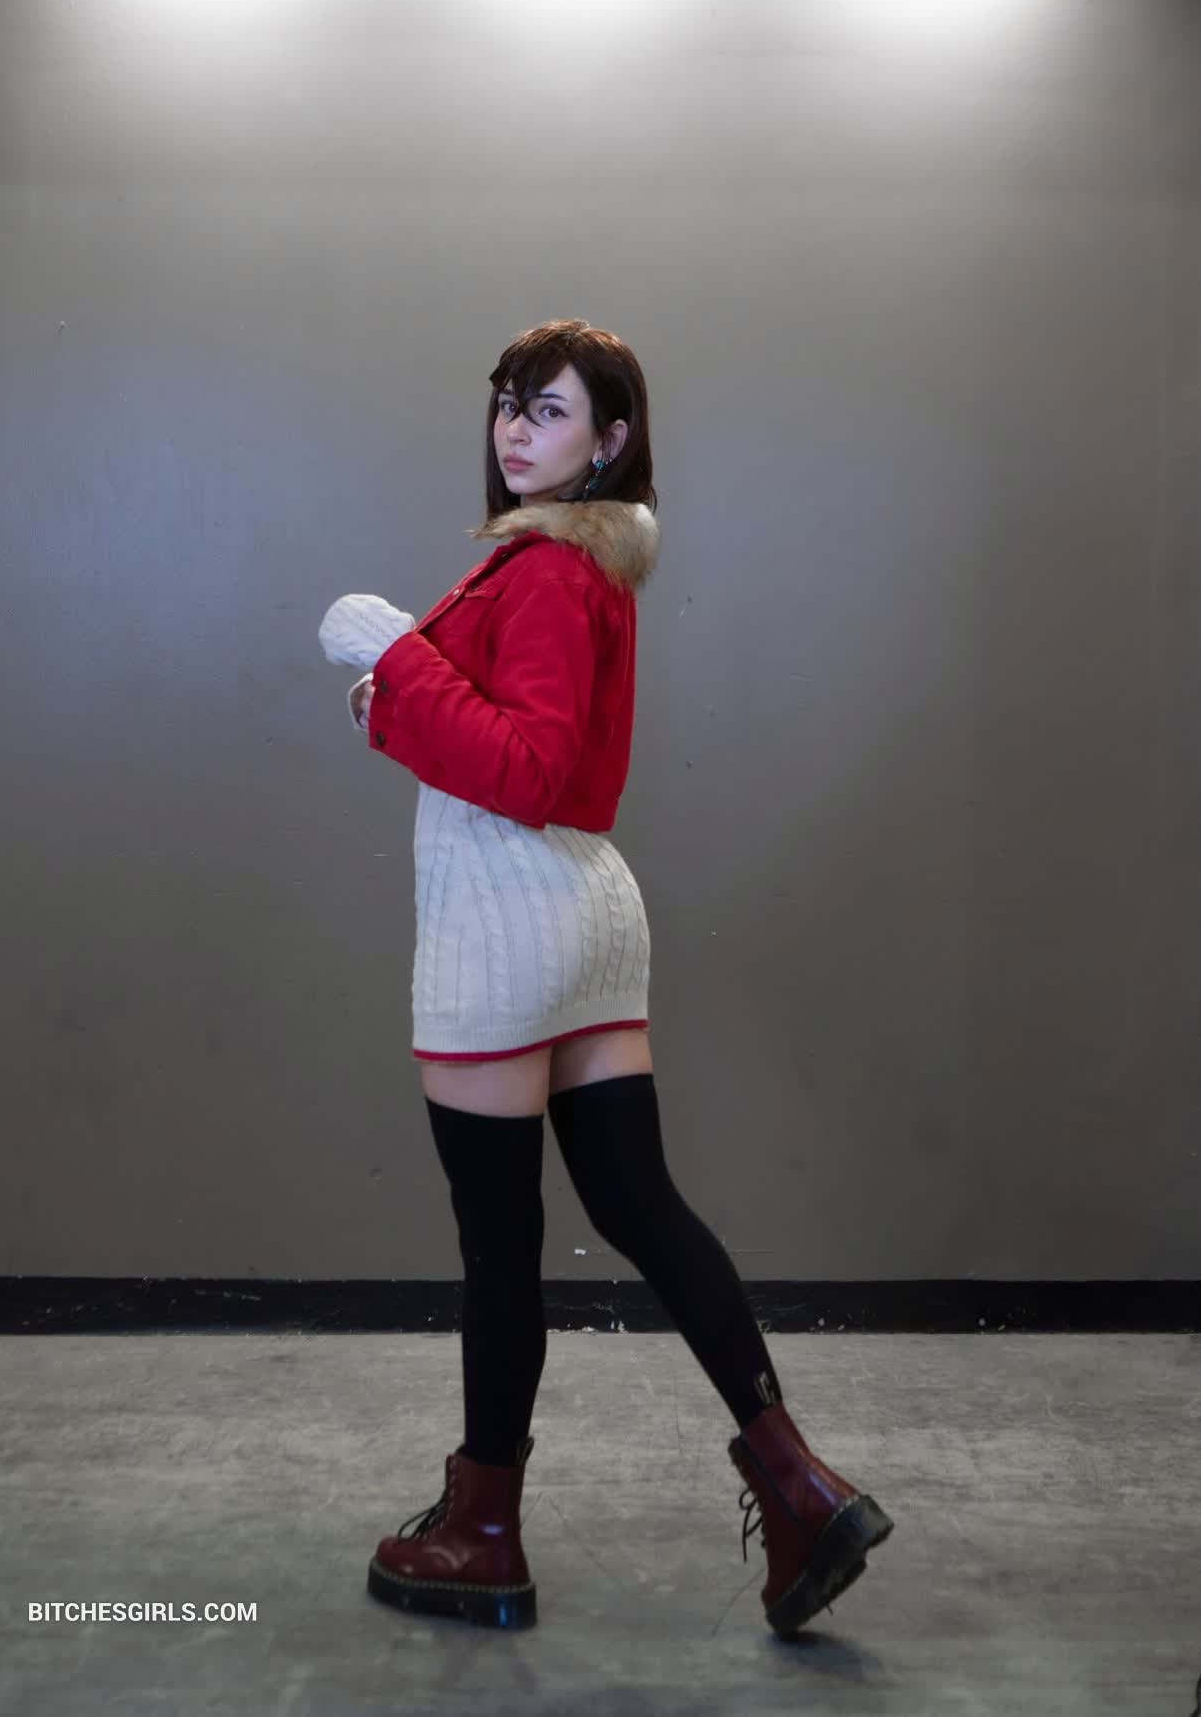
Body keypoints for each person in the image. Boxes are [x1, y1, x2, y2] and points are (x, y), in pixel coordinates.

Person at [319, 318, 893, 1637]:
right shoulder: (583, 569)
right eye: (507, 403)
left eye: (550, 409)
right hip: (590, 910)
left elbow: (522, 771)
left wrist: (393, 653)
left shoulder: (538, 571)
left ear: (610, 439)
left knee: (500, 1242)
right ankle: (800, 1484)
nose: (515, 428)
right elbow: (527, 745)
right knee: (641, 1204)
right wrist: (400, 698)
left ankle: (484, 1535)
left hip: (504, 920)